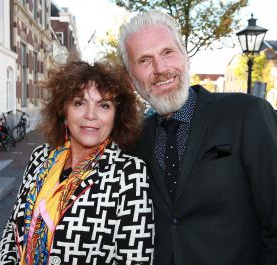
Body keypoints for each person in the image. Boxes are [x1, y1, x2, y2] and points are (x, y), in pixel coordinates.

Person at [118, 9, 277, 265]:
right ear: (130, 78)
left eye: (168, 52)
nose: (161, 68)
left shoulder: (247, 115)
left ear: (185, 56)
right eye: (145, 60)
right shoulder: (133, 141)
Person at [0, 61, 154, 265]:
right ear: (64, 112)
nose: (90, 115)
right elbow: (12, 230)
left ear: (116, 116)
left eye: (104, 105)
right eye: (79, 103)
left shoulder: (130, 174)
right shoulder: (40, 157)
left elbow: (136, 259)